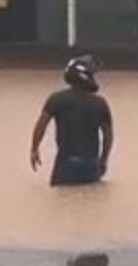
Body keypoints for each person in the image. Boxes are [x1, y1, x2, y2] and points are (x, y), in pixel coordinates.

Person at [30, 55, 113, 187]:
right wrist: (103, 161)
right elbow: (108, 136)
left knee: (61, 201)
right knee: (91, 200)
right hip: (91, 165)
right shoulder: (100, 104)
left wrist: (34, 149)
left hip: (66, 165)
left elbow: (41, 125)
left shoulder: (56, 99)